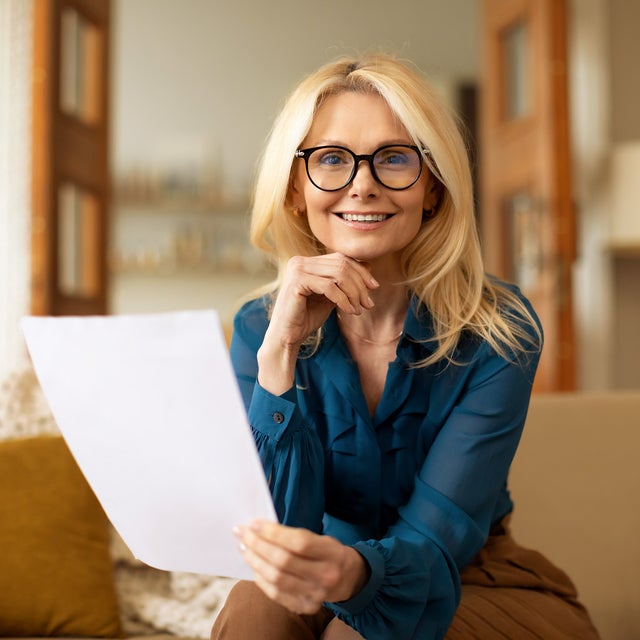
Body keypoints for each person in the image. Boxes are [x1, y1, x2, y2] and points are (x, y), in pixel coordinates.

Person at [211, 54, 599, 640]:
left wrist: (354, 573)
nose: (361, 183)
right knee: (253, 610)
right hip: (319, 570)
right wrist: (279, 359)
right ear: (296, 190)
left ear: (434, 189)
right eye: (332, 159)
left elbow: (435, 538)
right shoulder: (258, 329)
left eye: (394, 158)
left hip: (470, 579)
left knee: (358, 635)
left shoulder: (502, 329)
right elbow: (275, 541)